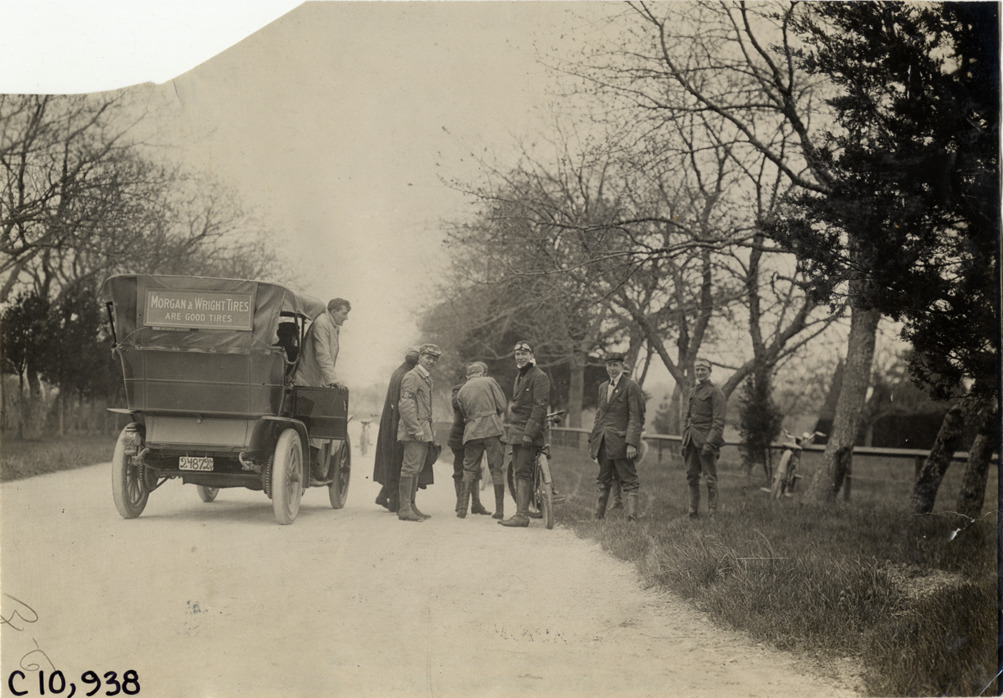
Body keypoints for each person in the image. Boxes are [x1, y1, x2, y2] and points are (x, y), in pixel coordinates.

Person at [589, 352, 646, 521]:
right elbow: (600, 415)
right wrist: (594, 439)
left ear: (622, 366)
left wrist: (632, 443)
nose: (612, 369)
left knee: (629, 480)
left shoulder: (631, 386)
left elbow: (636, 417)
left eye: (615, 365)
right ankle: (598, 517)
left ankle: (632, 517)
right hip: (603, 442)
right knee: (603, 479)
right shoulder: (603, 387)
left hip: (622, 443)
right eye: (609, 365)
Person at [499, 341, 550, 528]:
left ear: (531, 355)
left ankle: (521, 516)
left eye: (524, 354)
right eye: (517, 354)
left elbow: (540, 407)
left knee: (522, 473)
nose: (520, 357)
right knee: (519, 471)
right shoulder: (521, 375)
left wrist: (529, 433)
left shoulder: (539, 376)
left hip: (528, 432)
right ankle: (524, 511)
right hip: (517, 430)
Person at [455, 361, 507, 519]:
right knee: (496, 469)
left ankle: (462, 510)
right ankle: (499, 511)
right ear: (481, 373)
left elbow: (464, 414)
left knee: (469, 470)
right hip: (492, 429)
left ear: (468, 376)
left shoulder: (461, 391)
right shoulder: (489, 381)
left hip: (472, 432)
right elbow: (502, 405)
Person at [397, 343, 441, 522]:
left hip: (423, 429)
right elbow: (405, 404)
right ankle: (404, 509)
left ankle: (412, 506)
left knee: (416, 468)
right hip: (413, 430)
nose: (431, 361)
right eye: (428, 357)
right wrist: (415, 429)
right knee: (410, 468)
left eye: (434, 359)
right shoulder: (412, 376)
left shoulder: (425, 378)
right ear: (420, 357)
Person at [373, 346, 419, 512]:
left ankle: (384, 496)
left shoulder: (399, 372)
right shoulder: (408, 375)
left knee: (393, 460)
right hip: (397, 423)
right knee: (398, 461)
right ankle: (394, 502)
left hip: (391, 421)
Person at [681, 357, 727, 519]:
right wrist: (684, 439)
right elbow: (686, 417)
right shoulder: (692, 391)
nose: (700, 372)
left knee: (710, 478)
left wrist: (710, 443)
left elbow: (718, 422)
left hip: (706, 441)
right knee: (692, 476)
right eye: (697, 369)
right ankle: (692, 512)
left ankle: (712, 513)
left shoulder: (716, 392)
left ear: (709, 371)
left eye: (703, 369)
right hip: (690, 441)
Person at [293, 298, 350, 389]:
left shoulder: (332, 326)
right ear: (334, 312)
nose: (346, 318)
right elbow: (323, 354)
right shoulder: (322, 324)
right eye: (344, 313)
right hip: (306, 383)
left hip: (315, 383)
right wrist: (333, 381)